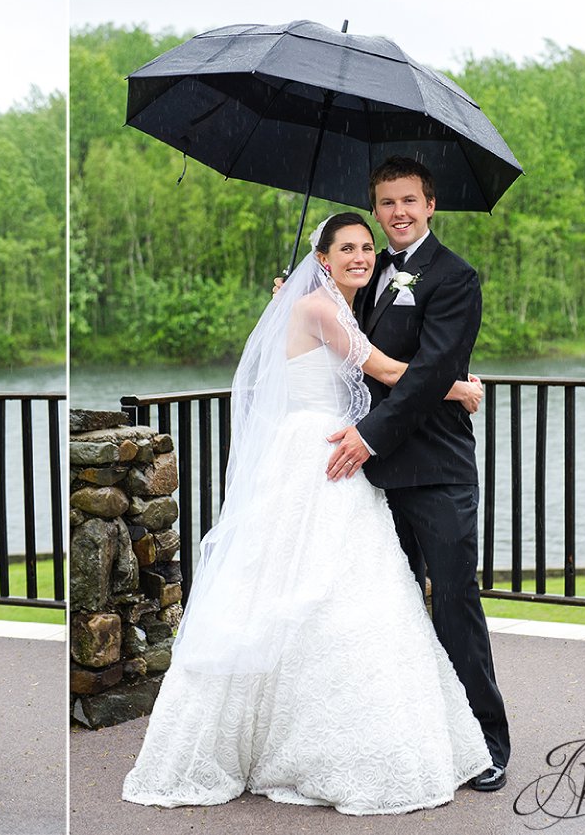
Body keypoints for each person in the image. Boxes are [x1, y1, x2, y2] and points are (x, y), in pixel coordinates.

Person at [122, 213, 492, 814]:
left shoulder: (336, 304)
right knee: (314, 590)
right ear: (321, 258)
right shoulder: (321, 310)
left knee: (325, 591)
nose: (362, 256)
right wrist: (460, 390)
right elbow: (390, 372)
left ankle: (299, 730)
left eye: (367, 247)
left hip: (329, 449)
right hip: (320, 454)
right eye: (346, 247)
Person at [324, 157, 509, 791]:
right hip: (372, 481)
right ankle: (409, 741)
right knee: (391, 612)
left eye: (409, 200)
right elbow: (356, 357)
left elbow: (432, 372)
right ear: (375, 210)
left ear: (431, 205)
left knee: (454, 602)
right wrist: (308, 299)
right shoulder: (366, 274)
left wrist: (369, 437)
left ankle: (485, 742)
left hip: (436, 470)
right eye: (386, 203)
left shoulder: (455, 278)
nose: (397, 213)